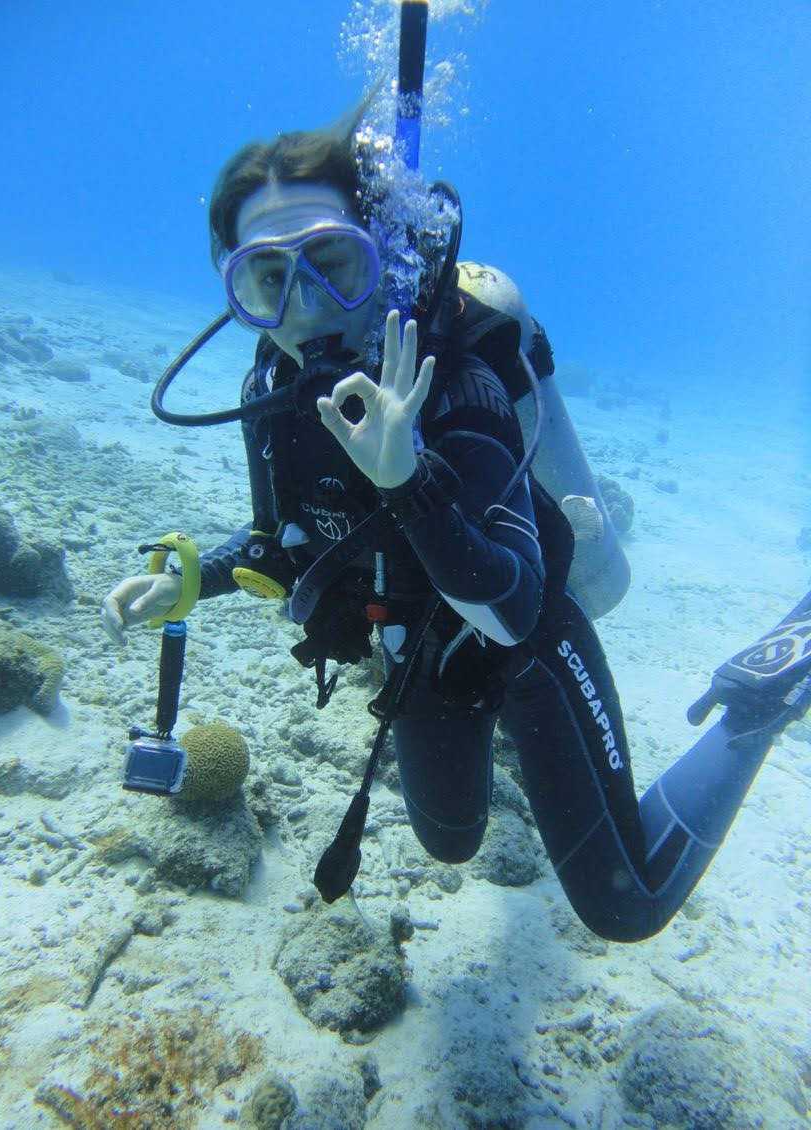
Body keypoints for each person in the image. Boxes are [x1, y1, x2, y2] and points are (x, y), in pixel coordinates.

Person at [101, 106, 811, 943]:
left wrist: (406, 478)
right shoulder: (274, 400)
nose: (306, 308)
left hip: (527, 648)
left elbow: (509, 609)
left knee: (627, 906)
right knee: (450, 842)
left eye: (333, 262)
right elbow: (289, 545)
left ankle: (759, 697)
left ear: (384, 258)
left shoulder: (458, 386)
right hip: (420, 659)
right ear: (240, 291)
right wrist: (197, 576)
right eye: (268, 279)